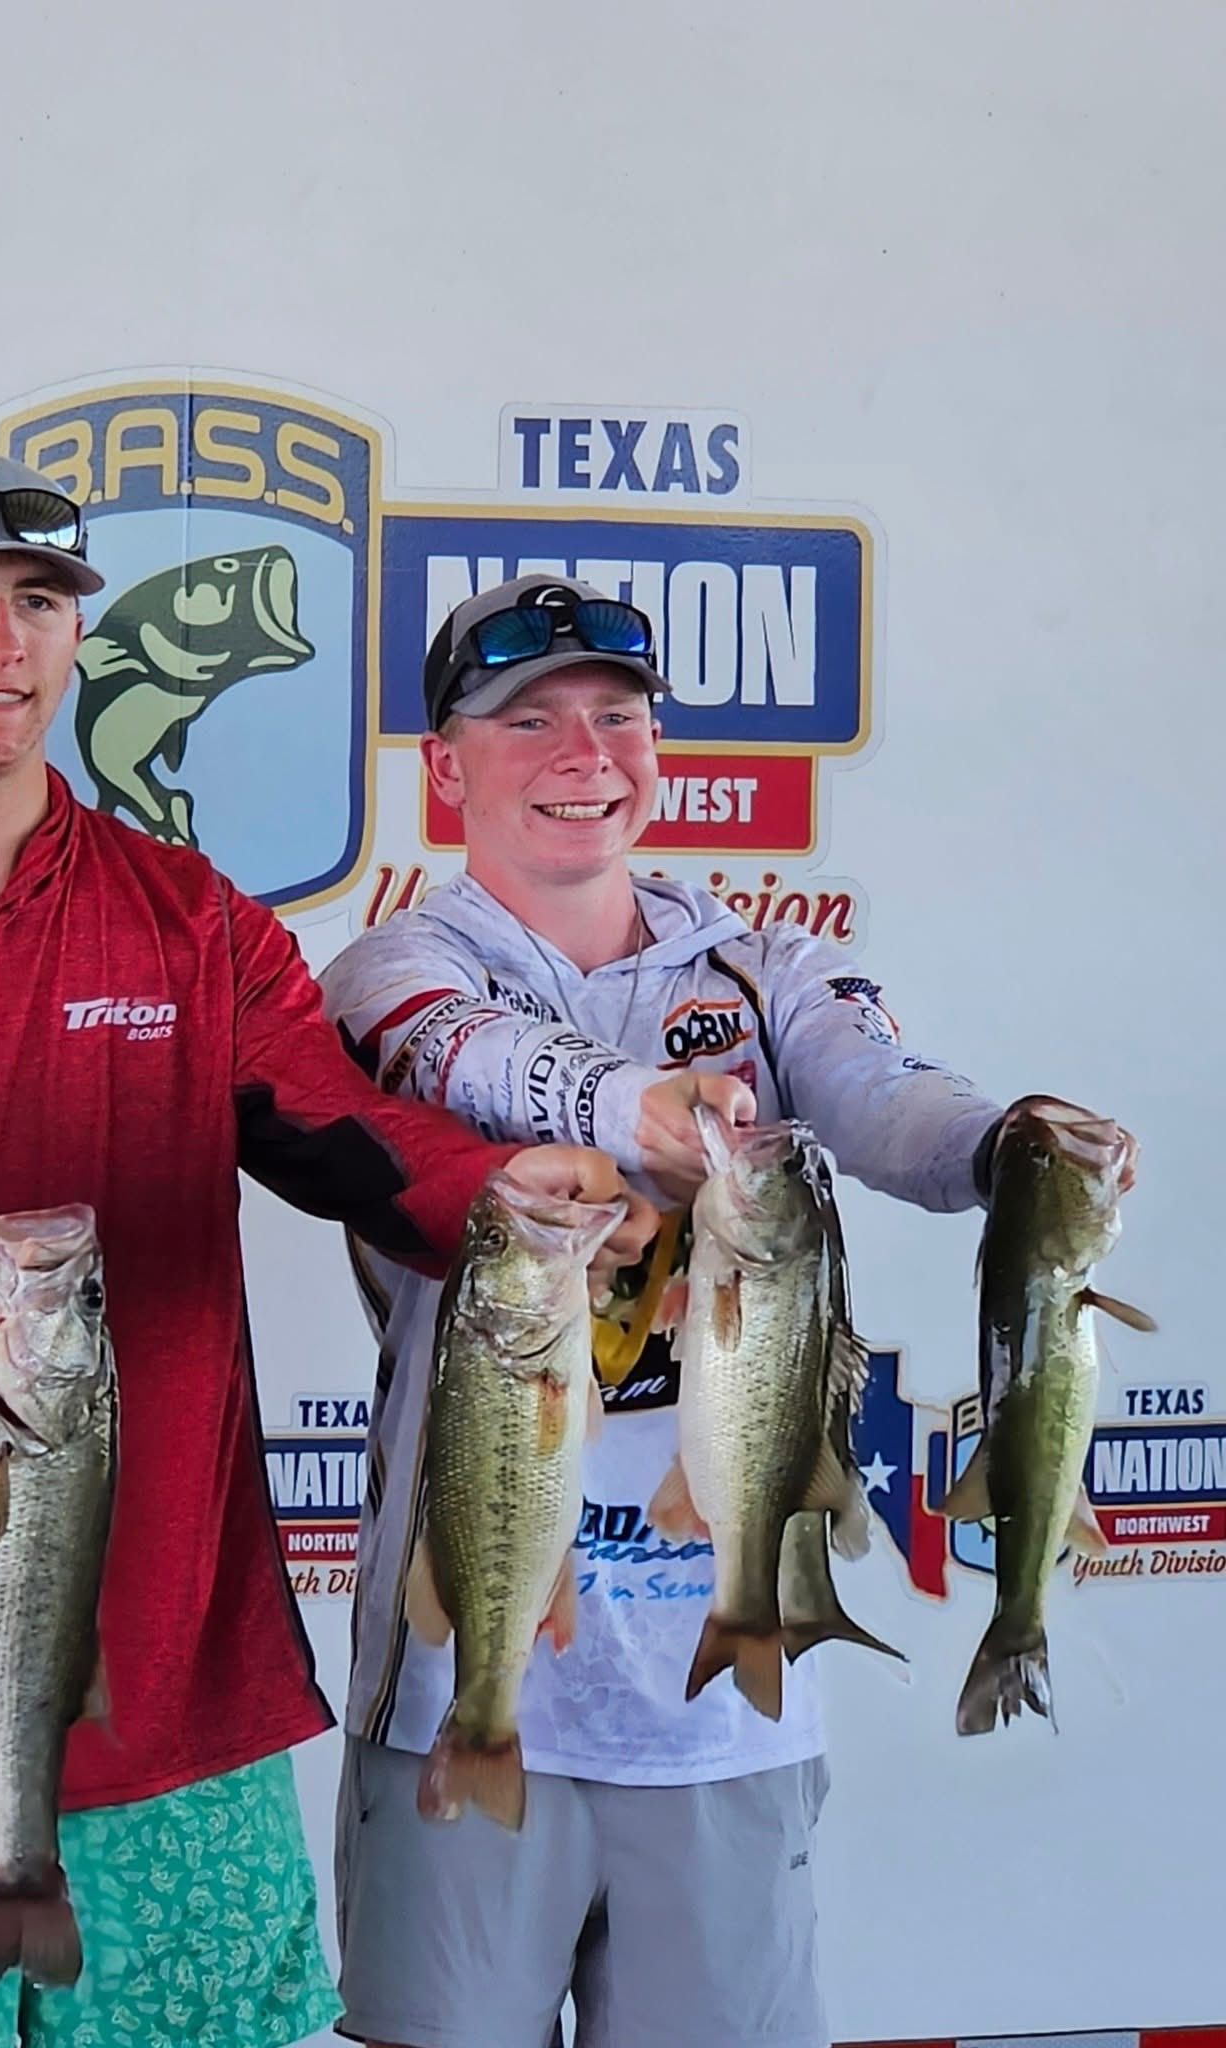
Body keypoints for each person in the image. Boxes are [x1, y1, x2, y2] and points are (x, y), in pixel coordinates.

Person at [0, 465, 652, 2048]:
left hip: (174, 1641)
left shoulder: (188, 917)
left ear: (77, 638)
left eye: (41, 602)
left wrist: (501, 1188)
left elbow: (342, 1131)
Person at [319, 573, 1137, 2048]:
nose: (585, 753)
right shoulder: (397, 966)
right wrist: (637, 1108)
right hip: (464, 1677)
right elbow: (468, 1060)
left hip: (723, 1709)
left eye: (618, 717)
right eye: (530, 721)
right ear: (446, 767)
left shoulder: (767, 964)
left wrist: (1013, 1142)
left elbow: (889, 1099)